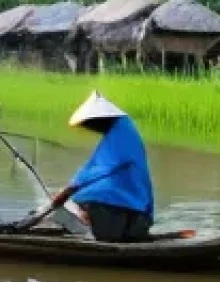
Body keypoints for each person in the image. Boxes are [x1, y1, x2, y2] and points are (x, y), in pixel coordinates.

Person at [50, 91, 155, 243]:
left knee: (89, 195)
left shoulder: (120, 134)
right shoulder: (123, 130)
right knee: (82, 197)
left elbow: (101, 168)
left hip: (123, 210)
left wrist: (68, 191)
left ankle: (92, 226)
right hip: (135, 211)